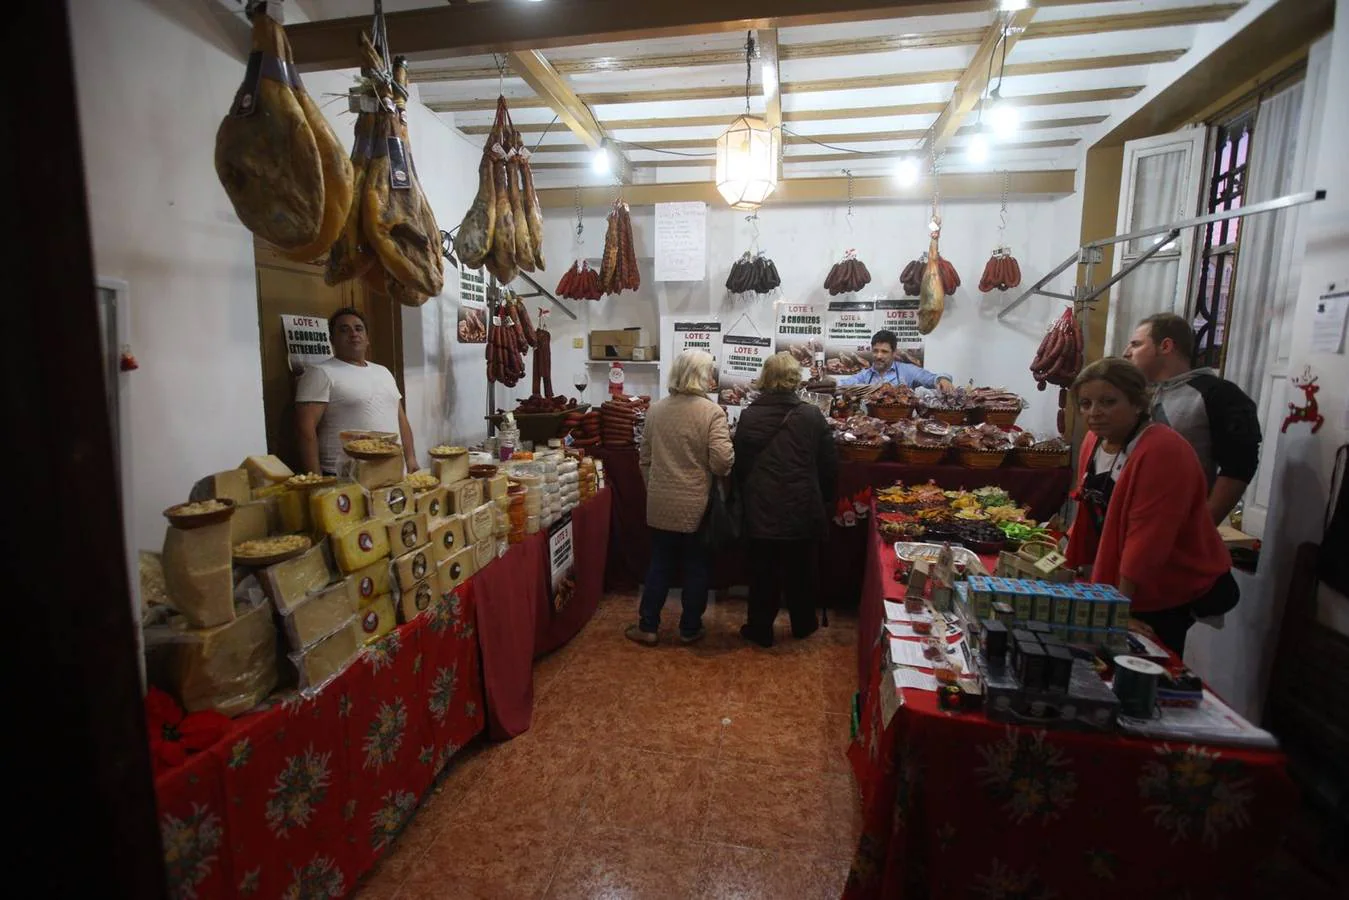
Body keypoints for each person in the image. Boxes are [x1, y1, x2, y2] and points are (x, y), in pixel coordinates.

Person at [1065, 358, 1237, 656]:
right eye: (1086, 403)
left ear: (1137, 402)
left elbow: (1148, 539)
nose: (1095, 413)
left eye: (1108, 401)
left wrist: (1118, 612)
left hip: (1164, 585)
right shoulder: (1094, 441)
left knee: (1148, 670)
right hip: (1120, 585)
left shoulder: (1162, 451)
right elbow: (1088, 507)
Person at [626, 349, 734, 646]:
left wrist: (656, 487)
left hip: (660, 501)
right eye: (711, 371)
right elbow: (722, 463)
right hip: (697, 503)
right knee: (696, 566)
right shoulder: (711, 412)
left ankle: (648, 626)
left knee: (659, 564)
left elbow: (644, 458)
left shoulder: (656, 410)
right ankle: (689, 628)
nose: (713, 376)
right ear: (702, 376)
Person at [733, 352, 837, 647]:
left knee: (763, 572)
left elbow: (739, 463)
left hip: (761, 505)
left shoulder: (750, 415)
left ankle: (760, 629)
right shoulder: (811, 415)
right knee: (802, 570)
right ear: (795, 379)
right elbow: (828, 464)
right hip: (802, 505)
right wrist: (824, 498)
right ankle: (804, 625)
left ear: (766, 378)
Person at [1123, 313, 1261, 524]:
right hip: (1132, 514)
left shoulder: (1217, 394)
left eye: (1136, 344)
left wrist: (1203, 525)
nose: (1127, 353)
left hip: (1178, 520)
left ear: (1166, 346)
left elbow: (1239, 465)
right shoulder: (1138, 395)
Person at [295, 308, 418, 476]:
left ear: (367, 339)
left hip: (392, 471)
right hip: (346, 476)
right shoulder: (320, 372)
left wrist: (410, 459)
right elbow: (305, 430)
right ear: (332, 340)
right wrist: (315, 478)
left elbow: (400, 419)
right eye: (344, 330)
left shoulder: (383, 371)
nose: (353, 333)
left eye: (359, 329)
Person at [834, 329, 954, 390]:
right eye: (875, 351)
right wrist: (824, 382)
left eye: (884, 351)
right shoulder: (865, 375)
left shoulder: (907, 371)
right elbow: (842, 384)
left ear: (894, 353)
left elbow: (931, 378)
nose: (878, 356)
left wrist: (942, 379)